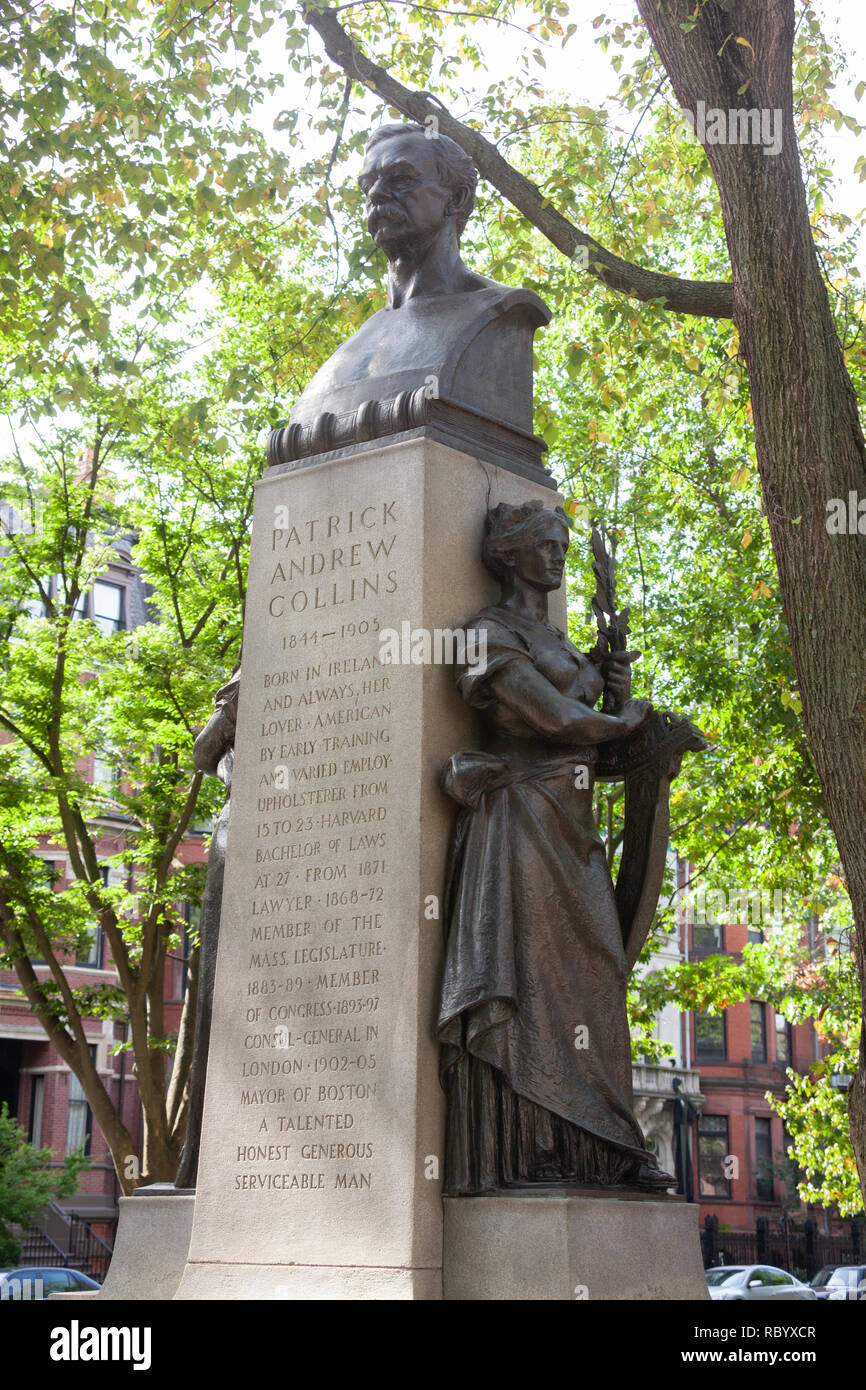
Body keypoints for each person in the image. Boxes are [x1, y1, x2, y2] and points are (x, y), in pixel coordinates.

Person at [437, 501, 672, 1193]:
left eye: (562, 542)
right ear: (507, 554)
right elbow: (554, 717)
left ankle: (599, 1145)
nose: (558, 554)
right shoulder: (486, 635)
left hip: (573, 828)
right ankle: (534, 1147)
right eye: (544, 542)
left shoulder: (560, 641)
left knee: (598, 971)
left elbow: (585, 730)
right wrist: (621, 718)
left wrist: (610, 691)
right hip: (520, 820)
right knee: (532, 981)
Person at [174, 669, 239, 1190]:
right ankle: (201, 1160)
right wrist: (236, 705)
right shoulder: (245, 680)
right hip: (238, 835)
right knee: (216, 1005)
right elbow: (202, 754)